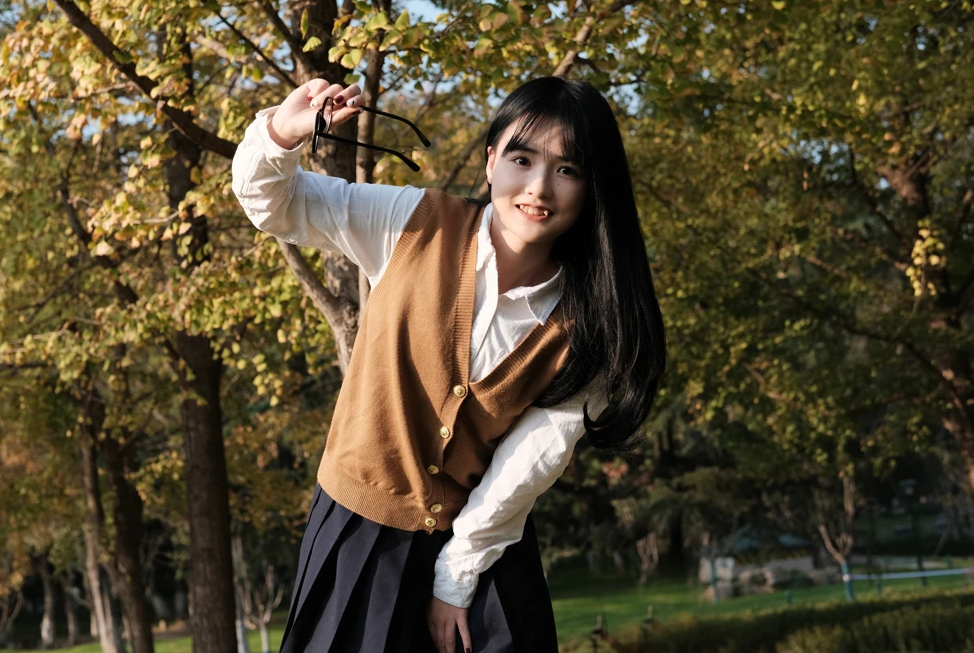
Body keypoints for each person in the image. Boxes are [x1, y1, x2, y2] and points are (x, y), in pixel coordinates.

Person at [230, 76, 665, 653]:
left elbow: (528, 464)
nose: (539, 187)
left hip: (484, 541)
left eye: (567, 169)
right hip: (360, 533)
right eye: (522, 159)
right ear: (491, 161)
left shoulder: (596, 324)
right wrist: (281, 135)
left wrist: (456, 577)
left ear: (593, 187)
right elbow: (275, 204)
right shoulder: (413, 221)